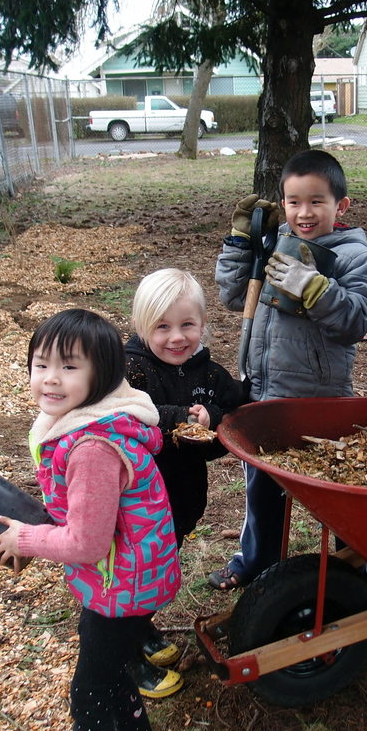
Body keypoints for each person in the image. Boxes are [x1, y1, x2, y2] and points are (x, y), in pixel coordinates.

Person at [0, 308, 180, 731]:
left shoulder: (93, 448)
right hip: (127, 578)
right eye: (41, 364)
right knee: (110, 671)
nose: (51, 378)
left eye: (69, 366)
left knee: (88, 693)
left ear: (103, 375)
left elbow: (88, 542)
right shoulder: (84, 422)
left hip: (123, 587)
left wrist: (26, 538)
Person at [210, 149, 367, 592]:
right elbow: (234, 295)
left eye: (316, 201)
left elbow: (357, 320)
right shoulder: (275, 242)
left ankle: (363, 569)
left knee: (335, 498)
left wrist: (314, 288)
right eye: (293, 202)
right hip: (264, 396)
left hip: (317, 406)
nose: (304, 213)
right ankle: (258, 563)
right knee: (261, 493)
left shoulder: (352, 257)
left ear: (340, 206)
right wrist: (240, 243)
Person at [123, 268, 244, 696]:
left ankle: (141, 628)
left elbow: (235, 407)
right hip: (136, 503)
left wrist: (226, 420)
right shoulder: (130, 372)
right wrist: (180, 418)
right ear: (141, 327)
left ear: (202, 325)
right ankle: (127, 658)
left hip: (179, 498)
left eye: (187, 325)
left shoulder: (207, 373)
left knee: (158, 569)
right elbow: (132, 414)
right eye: (163, 327)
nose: (177, 337)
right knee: (133, 575)